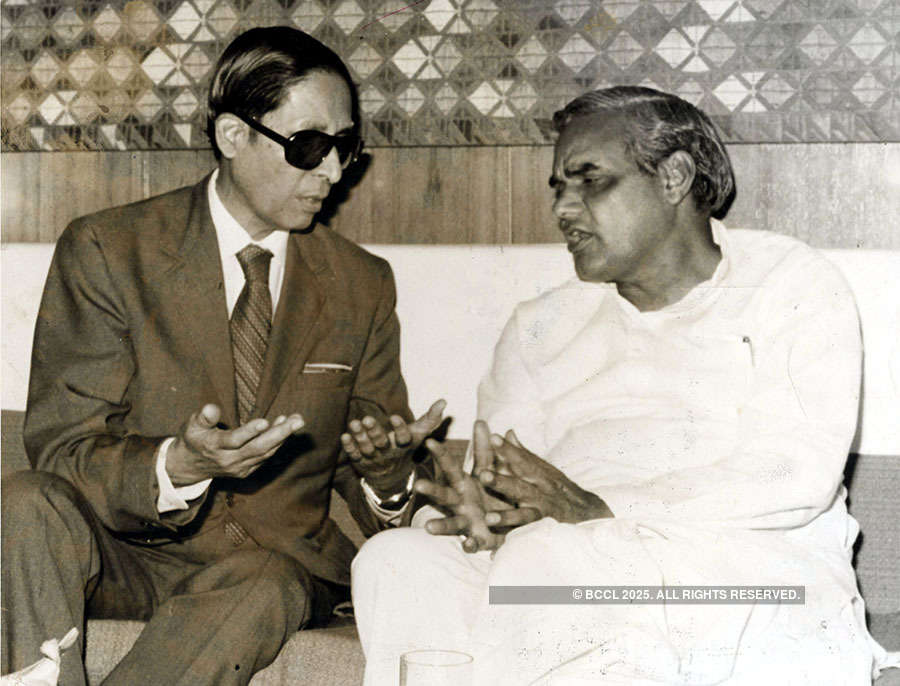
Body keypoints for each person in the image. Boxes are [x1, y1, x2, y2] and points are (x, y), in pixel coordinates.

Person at [349, 87, 897, 684]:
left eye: (591, 181)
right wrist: (487, 508)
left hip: (745, 570)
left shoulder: (789, 282)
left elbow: (795, 477)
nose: (564, 208)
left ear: (675, 178)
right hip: (564, 564)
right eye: (559, 186)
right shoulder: (540, 326)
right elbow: (514, 488)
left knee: (548, 562)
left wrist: (601, 509)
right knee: (397, 561)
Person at [1, 26, 444, 686]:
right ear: (233, 137)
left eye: (344, 148)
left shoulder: (363, 283)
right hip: (126, 554)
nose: (332, 171)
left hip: (271, 569)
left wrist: (388, 476)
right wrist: (176, 464)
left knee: (266, 579)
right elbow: (64, 447)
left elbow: (380, 476)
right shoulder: (109, 251)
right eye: (309, 146)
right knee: (24, 502)